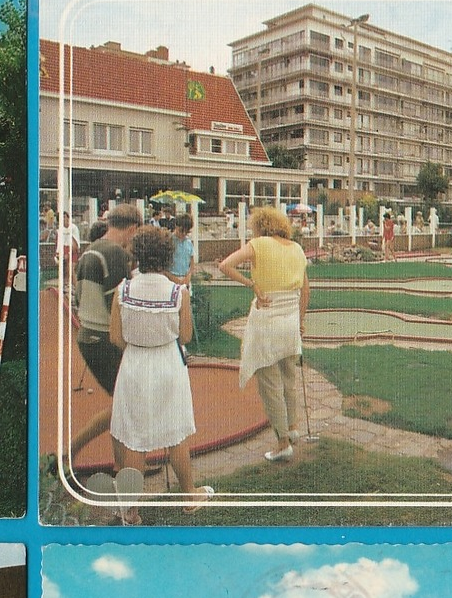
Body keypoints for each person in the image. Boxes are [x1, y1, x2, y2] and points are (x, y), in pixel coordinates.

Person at [107, 226, 210, 521]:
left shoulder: (122, 290)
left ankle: (130, 509)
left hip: (135, 364)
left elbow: (116, 337)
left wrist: (140, 344)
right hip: (167, 364)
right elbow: (186, 336)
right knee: (175, 431)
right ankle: (189, 495)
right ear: (167, 255)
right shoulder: (178, 292)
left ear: (137, 254)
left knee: (134, 438)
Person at [219, 206, 311, 461]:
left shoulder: (259, 244)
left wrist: (252, 284)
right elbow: (306, 292)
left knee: (270, 383)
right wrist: (300, 321)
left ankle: (282, 444)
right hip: (290, 319)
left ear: (259, 226)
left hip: (267, 318)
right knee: (289, 378)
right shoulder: (296, 248)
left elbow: (225, 265)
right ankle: (292, 428)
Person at [67, 205, 143, 470]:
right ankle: (69, 453)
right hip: (104, 338)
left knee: (122, 404)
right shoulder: (113, 253)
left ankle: (120, 465)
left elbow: (77, 297)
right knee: (127, 406)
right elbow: (119, 306)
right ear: (132, 227)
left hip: (88, 334)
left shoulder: (91, 249)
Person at [166, 214, 196, 286]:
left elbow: (191, 263)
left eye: (187, 232)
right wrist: (175, 280)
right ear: (176, 226)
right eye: (181, 231)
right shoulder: (168, 241)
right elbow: (163, 266)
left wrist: (188, 277)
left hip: (185, 279)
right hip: (171, 279)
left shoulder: (188, 242)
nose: (184, 234)